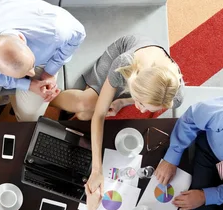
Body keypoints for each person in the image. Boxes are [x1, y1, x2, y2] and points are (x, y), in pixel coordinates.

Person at [50, 35, 184, 193]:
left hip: (143, 81)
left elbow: (143, 98)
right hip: (122, 57)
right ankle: (45, 97)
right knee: (85, 104)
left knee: (83, 116)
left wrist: (123, 101)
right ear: (133, 87)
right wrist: (96, 170)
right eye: (139, 102)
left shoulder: (175, 98)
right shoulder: (124, 62)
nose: (140, 110)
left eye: (147, 109)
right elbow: (99, 114)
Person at [0, 0, 86, 121]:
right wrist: (28, 84)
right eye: (26, 73)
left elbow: (79, 35)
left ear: (22, 38)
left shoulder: (56, 30)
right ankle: (0, 103)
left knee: (30, 116)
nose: (32, 74)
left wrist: (49, 72)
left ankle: (14, 105)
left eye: (31, 65)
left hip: (43, 56)